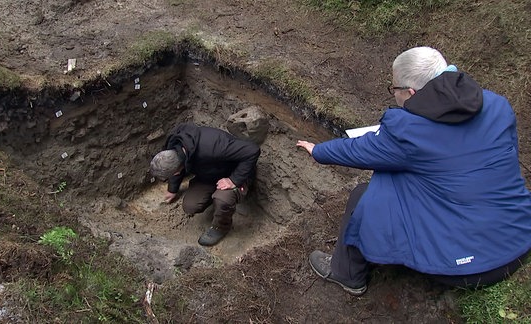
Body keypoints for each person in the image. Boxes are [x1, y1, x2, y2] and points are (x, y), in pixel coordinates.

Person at [296, 46, 531, 296]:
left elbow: (359, 150)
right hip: (519, 240)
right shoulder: (497, 105)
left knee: (367, 192)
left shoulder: (408, 130)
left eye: (394, 89)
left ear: (410, 92)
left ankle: (346, 273)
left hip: (468, 268)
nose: (394, 94)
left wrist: (318, 150)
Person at [150, 122, 261, 246]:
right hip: (209, 173)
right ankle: (215, 196)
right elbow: (174, 166)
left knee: (222, 199)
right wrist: (172, 189)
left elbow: (252, 150)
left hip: (234, 172)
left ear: (177, 170)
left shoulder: (214, 147)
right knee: (190, 206)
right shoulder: (174, 145)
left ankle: (220, 228)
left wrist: (233, 180)